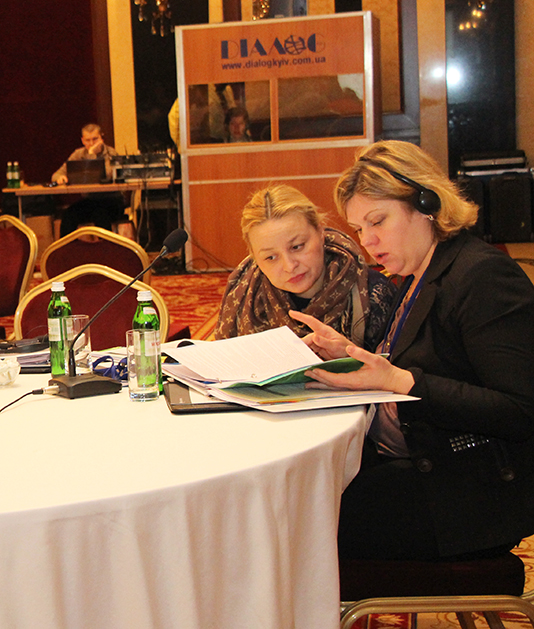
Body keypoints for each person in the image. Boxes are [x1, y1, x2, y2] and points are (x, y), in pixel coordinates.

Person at [291, 140, 534, 562]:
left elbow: (520, 410)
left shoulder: (482, 276)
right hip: (417, 459)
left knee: (295, 523)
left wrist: (400, 381)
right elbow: (430, 360)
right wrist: (348, 352)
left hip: (464, 489)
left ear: (427, 203)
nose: (368, 241)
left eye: (378, 221)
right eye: (359, 229)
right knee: (293, 493)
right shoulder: (417, 274)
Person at [215, 184, 395, 351]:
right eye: (270, 257)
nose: (289, 266)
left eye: (297, 247)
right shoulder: (243, 297)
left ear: (320, 232)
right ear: (255, 258)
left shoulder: (374, 294)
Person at [51, 123, 126, 236]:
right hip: (90, 200)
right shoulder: (78, 154)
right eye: (88, 140)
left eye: (95, 139)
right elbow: (56, 174)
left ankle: (106, 246)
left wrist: (92, 155)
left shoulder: (111, 153)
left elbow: (105, 175)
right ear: (82, 140)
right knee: (68, 215)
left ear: (102, 138)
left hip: (112, 200)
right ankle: (68, 246)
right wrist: (60, 177)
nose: (91, 144)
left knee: (100, 215)